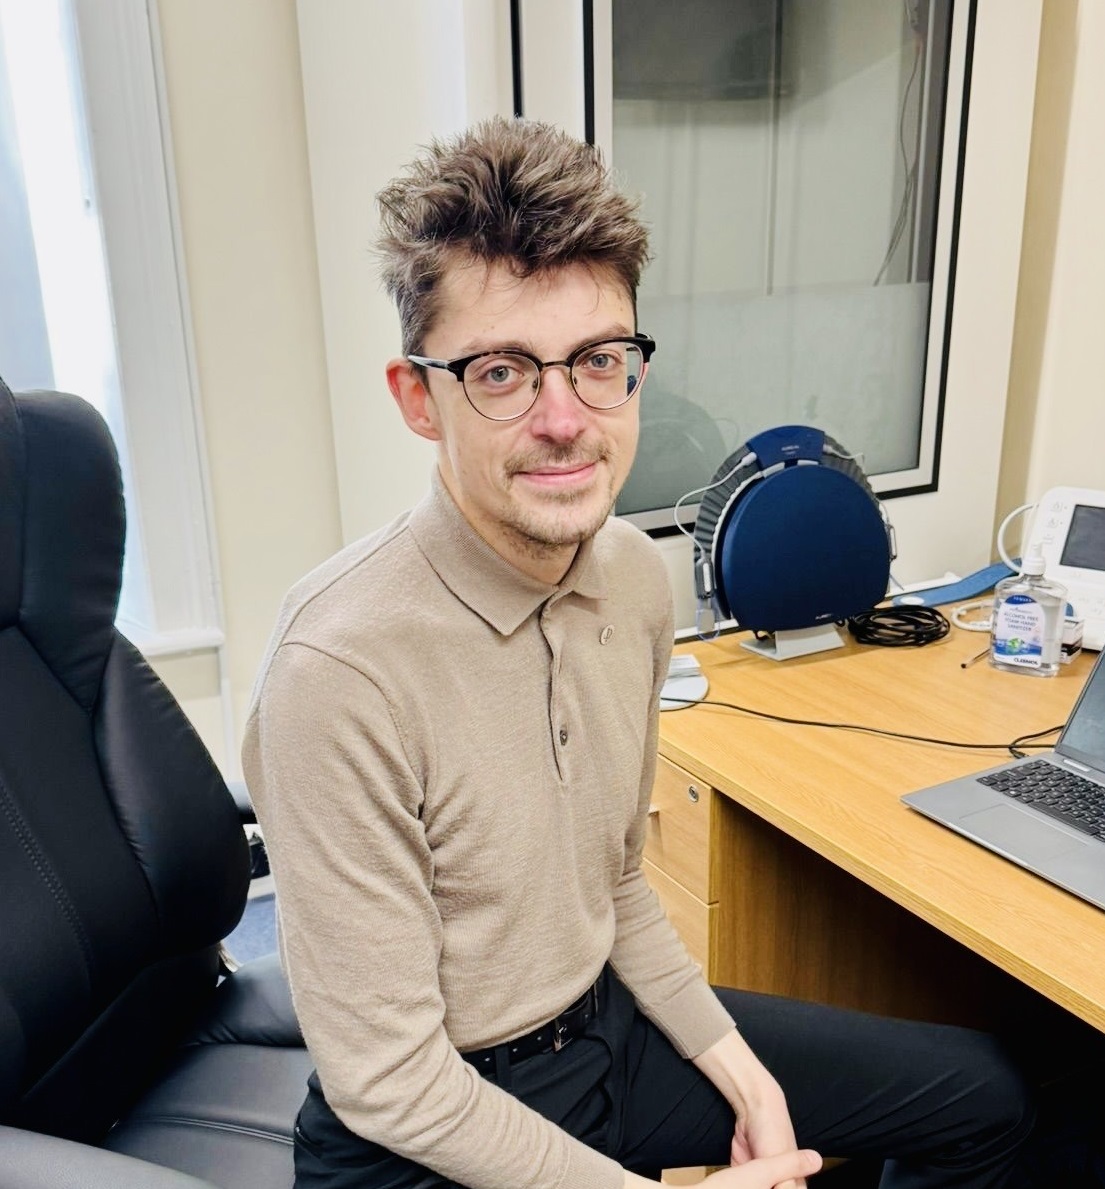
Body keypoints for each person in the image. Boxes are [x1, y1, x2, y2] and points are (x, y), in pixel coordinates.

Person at [242, 116, 1034, 1189]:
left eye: (597, 361)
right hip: (420, 1133)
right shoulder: (335, 672)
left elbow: (614, 880)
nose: (565, 418)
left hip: (600, 1034)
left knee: (985, 1096)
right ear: (419, 397)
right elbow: (391, 1082)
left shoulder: (629, 575)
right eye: (502, 372)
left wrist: (744, 1077)